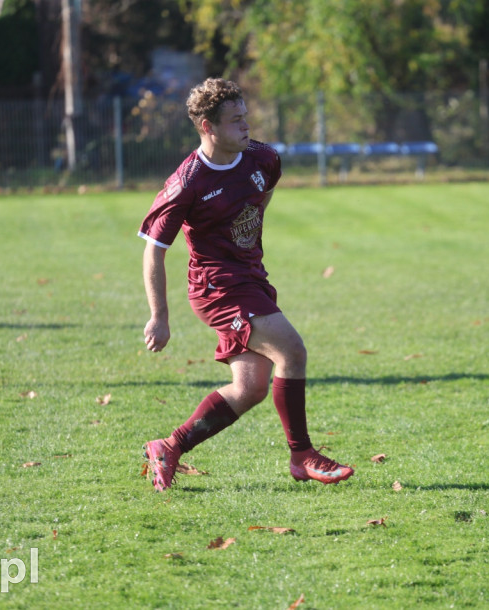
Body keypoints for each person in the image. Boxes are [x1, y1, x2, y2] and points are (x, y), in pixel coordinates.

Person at [138, 77, 354, 491]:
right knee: (291, 350)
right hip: (217, 288)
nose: (246, 127)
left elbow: (261, 200)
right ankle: (302, 455)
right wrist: (158, 317)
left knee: (250, 387)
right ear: (208, 126)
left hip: (250, 278)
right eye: (235, 121)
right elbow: (154, 250)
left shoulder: (263, 158)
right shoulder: (187, 182)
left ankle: (169, 447)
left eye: (246, 117)